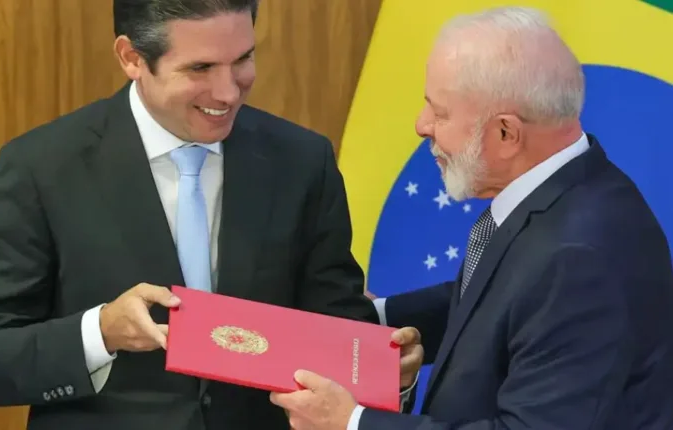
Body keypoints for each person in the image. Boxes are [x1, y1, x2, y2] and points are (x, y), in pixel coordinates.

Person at [0, 1, 423, 429]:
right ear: (132, 58)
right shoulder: (41, 168)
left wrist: (388, 375)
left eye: (243, 60)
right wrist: (101, 332)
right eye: (201, 68)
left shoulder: (302, 162)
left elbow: (338, 329)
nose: (229, 92)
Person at [269, 6, 673, 430]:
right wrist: (374, 320)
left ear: (505, 133)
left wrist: (350, 422)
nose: (421, 125)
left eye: (440, 113)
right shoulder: (572, 189)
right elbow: (502, 298)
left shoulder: (579, 260)